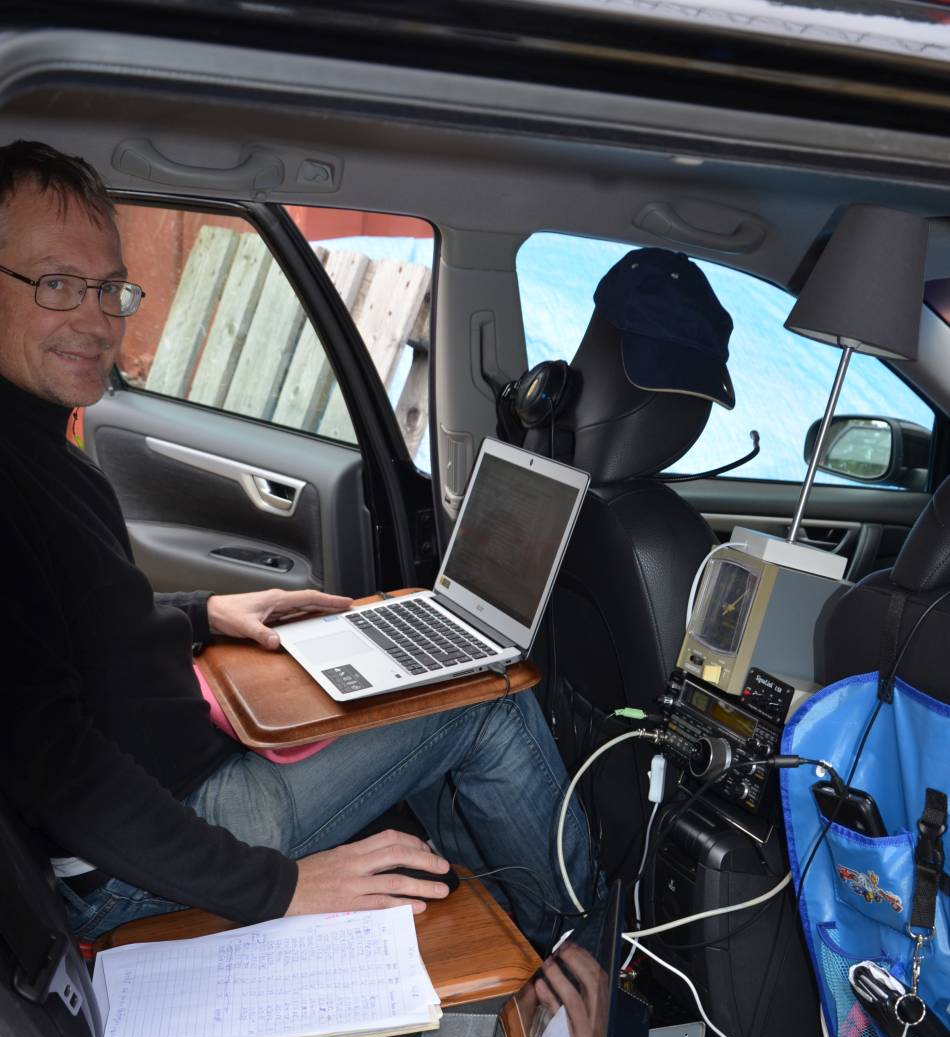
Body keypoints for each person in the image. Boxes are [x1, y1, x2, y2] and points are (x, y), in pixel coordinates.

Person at [0, 140, 599, 951]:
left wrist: (206, 612)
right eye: (56, 284)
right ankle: (574, 958)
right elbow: (56, 767)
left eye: (109, 288)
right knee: (487, 698)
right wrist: (281, 888)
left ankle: (497, 916)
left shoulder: (36, 445)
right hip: (133, 856)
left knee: (429, 690)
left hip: (164, 792)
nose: (98, 320)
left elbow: (73, 628)